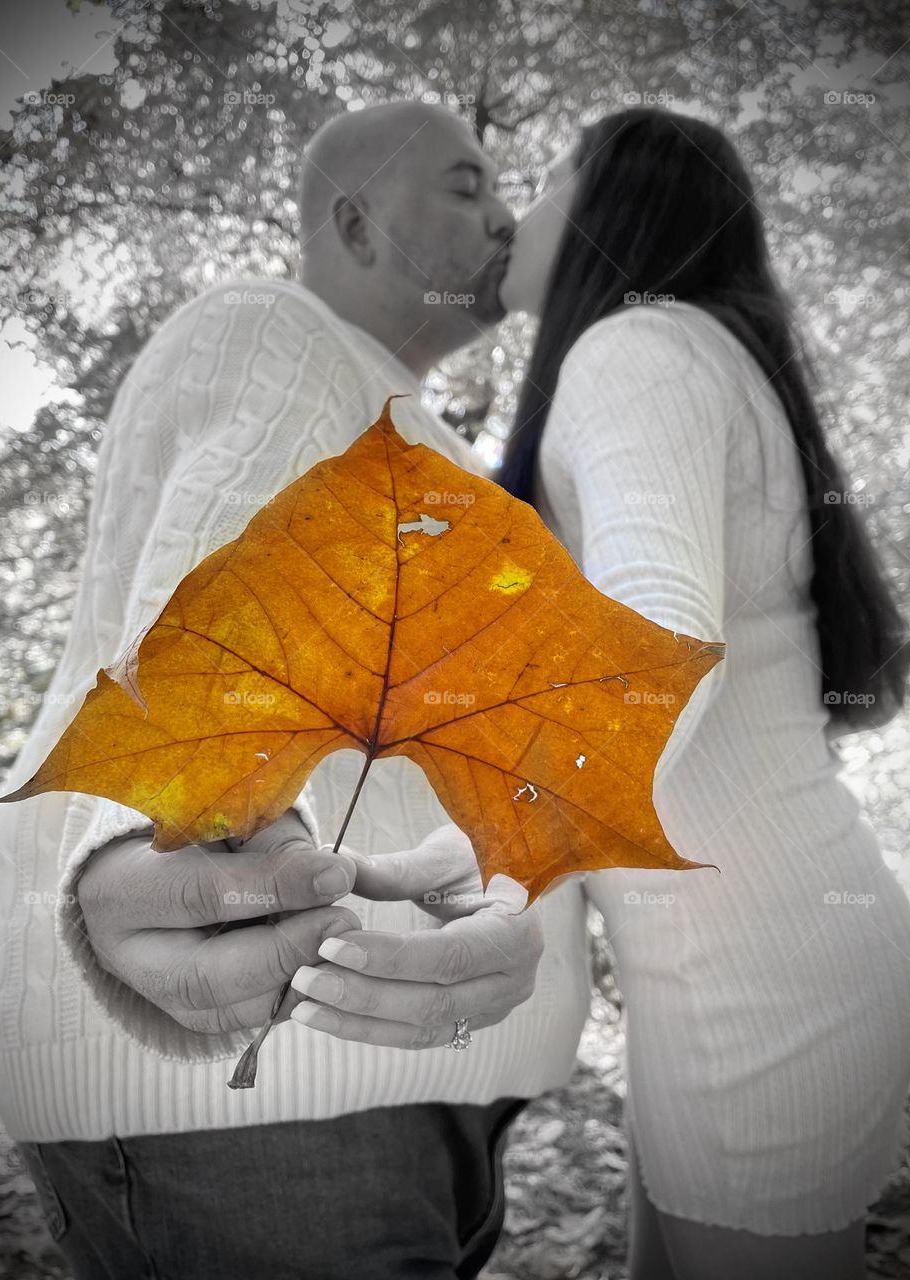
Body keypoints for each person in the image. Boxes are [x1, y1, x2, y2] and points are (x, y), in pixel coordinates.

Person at [0, 101, 595, 1279]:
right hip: (263, 1103)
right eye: (465, 186)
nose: (505, 216)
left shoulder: (407, 423)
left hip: (375, 1083)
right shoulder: (269, 332)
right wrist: (161, 834)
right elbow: (223, 588)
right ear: (353, 223)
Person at [497, 106, 910, 1280]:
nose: (518, 214)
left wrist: (501, 852)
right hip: (763, 947)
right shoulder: (707, 352)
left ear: (605, 210)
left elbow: (662, 631)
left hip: (752, 981)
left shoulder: (633, 352)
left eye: (542, 180)